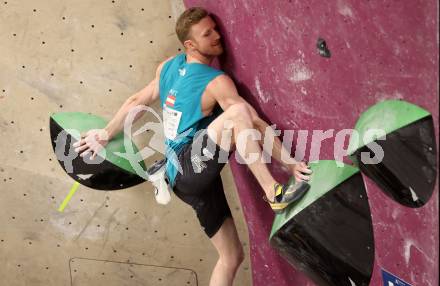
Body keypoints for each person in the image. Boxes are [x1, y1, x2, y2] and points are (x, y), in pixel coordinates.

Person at [73, 7, 312, 286]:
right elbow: (251, 121)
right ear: (190, 44)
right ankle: (273, 192)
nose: (217, 36)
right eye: (207, 33)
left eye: (215, 29)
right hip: (187, 168)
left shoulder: (169, 67)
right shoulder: (216, 81)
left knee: (231, 257)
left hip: (188, 180)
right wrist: (289, 163)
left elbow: (138, 100)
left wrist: (105, 133)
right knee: (236, 115)